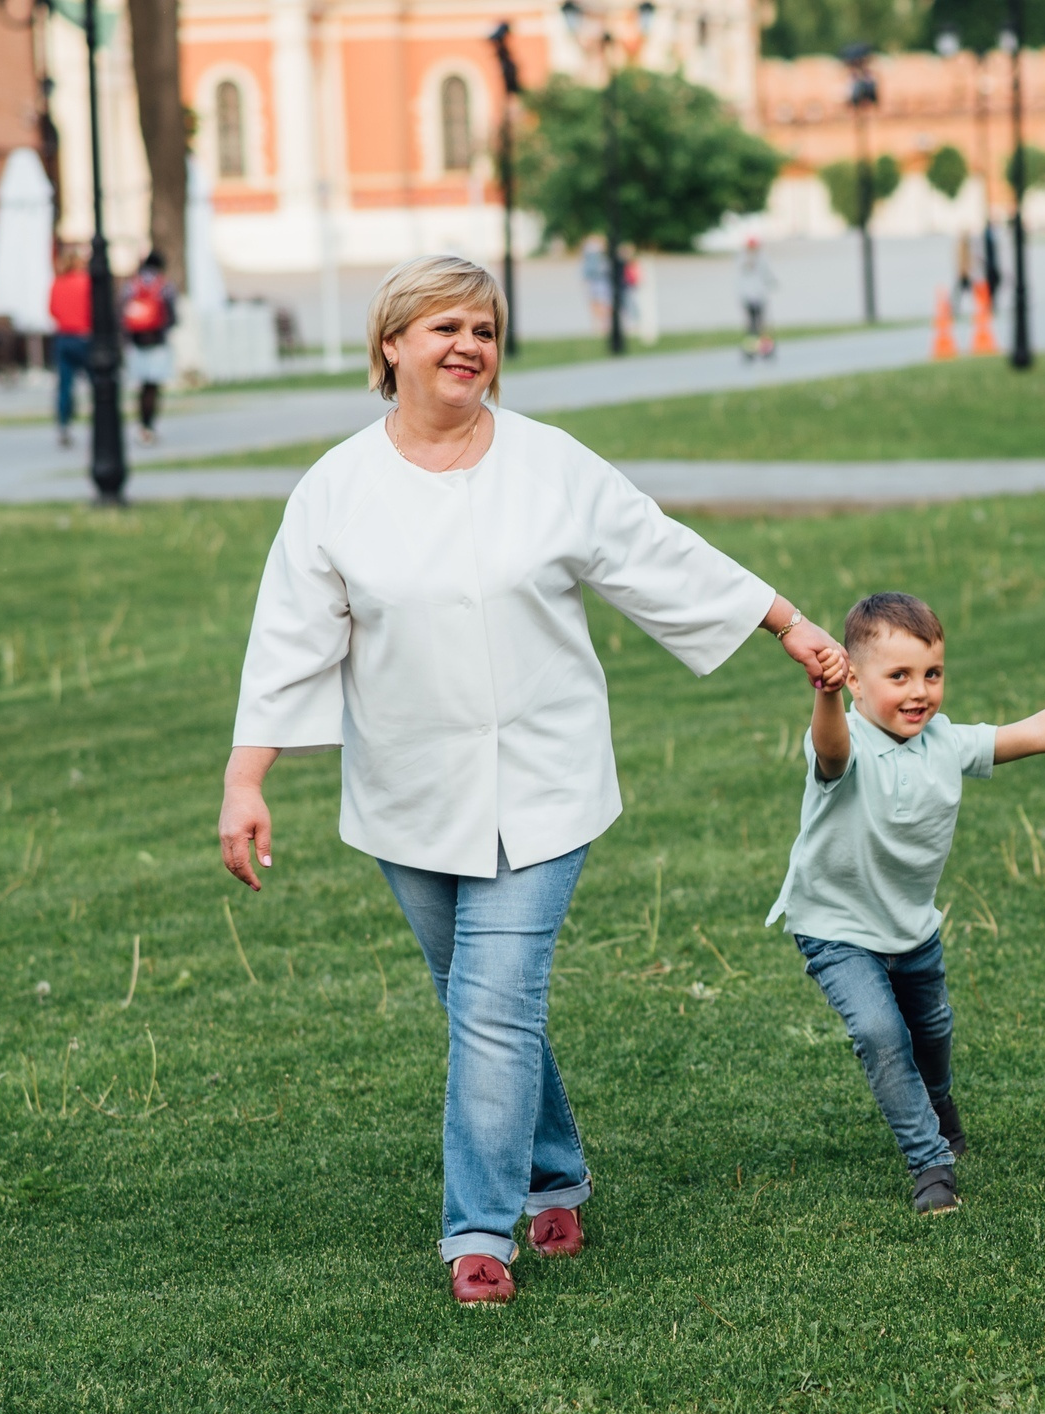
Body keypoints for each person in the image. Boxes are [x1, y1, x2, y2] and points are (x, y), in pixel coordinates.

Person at [221, 254, 845, 1308]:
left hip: (547, 780)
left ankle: (478, 1230)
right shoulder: (336, 489)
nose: (469, 345)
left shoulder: (549, 463)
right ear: (391, 345)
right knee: (479, 1003)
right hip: (411, 794)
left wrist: (786, 623)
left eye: (485, 329)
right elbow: (289, 638)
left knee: (493, 1004)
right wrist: (247, 779)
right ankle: (555, 1172)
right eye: (445, 327)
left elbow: (658, 553)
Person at [768, 593, 1045, 1217]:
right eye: (899, 676)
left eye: (932, 673)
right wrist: (823, 695)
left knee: (932, 1031)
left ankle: (937, 1100)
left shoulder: (944, 742)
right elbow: (830, 751)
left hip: (911, 928)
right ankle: (930, 1163)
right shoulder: (847, 741)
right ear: (854, 680)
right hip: (835, 927)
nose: (920, 692)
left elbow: (1034, 732)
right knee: (881, 1032)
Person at [120, 250, 179, 444]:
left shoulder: (131, 285)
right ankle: (150, 425)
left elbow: (121, 313)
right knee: (153, 386)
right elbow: (172, 316)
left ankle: (142, 426)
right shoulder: (164, 286)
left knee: (142, 385)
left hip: (136, 342)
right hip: (157, 341)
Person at [48, 246, 91, 448]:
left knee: (65, 386)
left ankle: (64, 426)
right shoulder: (86, 282)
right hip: (84, 336)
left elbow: (53, 310)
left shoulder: (58, 283)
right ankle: (98, 421)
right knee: (96, 382)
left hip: (64, 337)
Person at [737, 236, 777, 362]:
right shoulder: (743, 258)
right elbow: (744, 270)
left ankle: (765, 349)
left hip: (759, 295)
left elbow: (767, 274)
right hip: (748, 296)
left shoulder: (762, 258)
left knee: (761, 325)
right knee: (752, 326)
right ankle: (751, 350)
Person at [580, 235, 613, 333]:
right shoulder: (592, 255)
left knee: (602, 304)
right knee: (597, 304)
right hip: (596, 282)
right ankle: (599, 325)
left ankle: (603, 325)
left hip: (600, 283)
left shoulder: (598, 256)